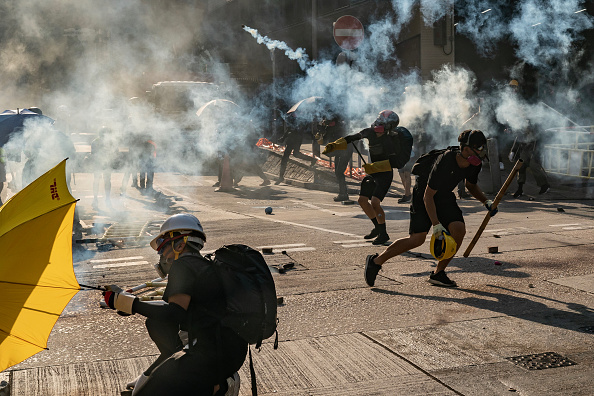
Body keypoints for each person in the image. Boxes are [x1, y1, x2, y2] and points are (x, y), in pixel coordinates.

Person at [102, 213, 246, 395]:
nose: (161, 254)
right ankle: (213, 384)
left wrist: (130, 304)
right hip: (228, 353)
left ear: (180, 244)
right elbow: (162, 316)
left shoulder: (183, 266)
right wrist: (127, 303)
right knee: (156, 324)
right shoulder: (202, 266)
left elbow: (175, 313)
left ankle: (218, 386)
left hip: (209, 357)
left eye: (163, 246)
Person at [363, 129, 498, 287]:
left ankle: (438, 273)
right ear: (466, 148)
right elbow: (428, 196)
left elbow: (471, 185)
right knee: (417, 239)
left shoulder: (474, 163)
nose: (482, 152)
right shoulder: (446, 160)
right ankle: (375, 261)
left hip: (445, 195)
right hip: (424, 193)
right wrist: (436, 225)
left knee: (458, 230)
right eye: (479, 148)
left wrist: (486, 202)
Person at [323, 110, 402, 245]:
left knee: (375, 203)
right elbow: (353, 137)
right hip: (373, 172)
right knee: (362, 200)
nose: (378, 123)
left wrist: (380, 165)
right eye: (379, 120)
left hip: (385, 173)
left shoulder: (393, 138)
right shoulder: (369, 132)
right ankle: (377, 228)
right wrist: (336, 144)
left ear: (389, 126)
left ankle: (383, 234)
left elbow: (397, 161)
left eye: (382, 122)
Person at [505, 79, 550, 197]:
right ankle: (520, 189)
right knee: (521, 166)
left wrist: (534, 151)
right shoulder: (519, 118)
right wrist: (514, 150)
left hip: (534, 145)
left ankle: (544, 185)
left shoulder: (531, 119)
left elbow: (536, 135)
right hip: (525, 145)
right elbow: (519, 135)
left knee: (535, 166)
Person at [316, 111, 352, 201]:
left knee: (339, 172)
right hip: (339, 151)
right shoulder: (334, 127)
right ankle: (343, 193)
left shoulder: (338, 127)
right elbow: (325, 140)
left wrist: (322, 130)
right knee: (338, 172)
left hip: (345, 151)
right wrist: (321, 133)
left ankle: (343, 194)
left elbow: (325, 140)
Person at [276, 112, 317, 185]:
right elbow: (288, 130)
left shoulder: (301, 120)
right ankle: (281, 176)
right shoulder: (293, 119)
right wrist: (283, 138)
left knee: (294, 155)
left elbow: (301, 130)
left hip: (296, 139)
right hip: (292, 139)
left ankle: (312, 159)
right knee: (289, 156)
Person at [88, 126, 114, 209]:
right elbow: (114, 153)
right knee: (105, 181)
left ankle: (97, 199)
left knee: (97, 181)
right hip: (102, 164)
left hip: (99, 164)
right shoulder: (109, 142)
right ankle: (106, 199)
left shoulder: (95, 141)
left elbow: (93, 154)